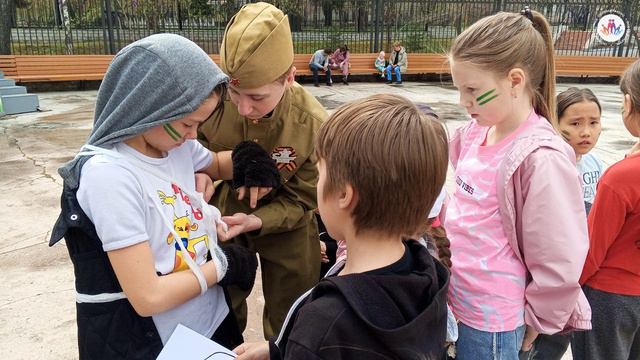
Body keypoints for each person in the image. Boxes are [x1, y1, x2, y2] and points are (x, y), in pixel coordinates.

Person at [48, 34, 271, 358]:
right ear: (149, 108)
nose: (194, 135)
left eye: (199, 124)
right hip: (156, 342)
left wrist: (246, 159)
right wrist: (221, 266)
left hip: (208, 320)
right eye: (186, 124)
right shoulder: (110, 176)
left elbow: (217, 163)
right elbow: (147, 296)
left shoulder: (172, 145)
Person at [233, 93, 450, 360]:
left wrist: (302, 347)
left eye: (320, 173)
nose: (316, 183)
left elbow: (330, 342)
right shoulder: (427, 273)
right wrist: (280, 351)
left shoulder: (323, 323)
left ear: (344, 195)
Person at [445, 7, 591, 359]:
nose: (463, 102)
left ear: (514, 80)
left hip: (491, 322)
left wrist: (541, 318)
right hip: (454, 304)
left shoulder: (541, 158)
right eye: (459, 89)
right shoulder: (475, 132)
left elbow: (559, 254)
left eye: (472, 90)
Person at [198, 2, 328, 339]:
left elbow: (304, 200)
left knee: (294, 316)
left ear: (289, 78)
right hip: (224, 216)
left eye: (257, 97)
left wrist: (260, 219)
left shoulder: (313, 125)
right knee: (217, 307)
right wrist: (202, 172)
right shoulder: (210, 100)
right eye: (234, 92)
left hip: (290, 224)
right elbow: (190, 146)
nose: (243, 108)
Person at [571, 59, 640, 360]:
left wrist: (562, 291)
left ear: (627, 103)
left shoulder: (620, 177)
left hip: (610, 298)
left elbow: (592, 250)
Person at [557, 87, 604, 215]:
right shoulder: (553, 165)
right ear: (555, 124)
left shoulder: (595, 161)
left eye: (593, 122)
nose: (586, 133)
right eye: (576, 124)